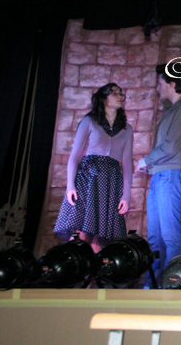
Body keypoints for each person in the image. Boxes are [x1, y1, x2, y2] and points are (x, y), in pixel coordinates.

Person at [138, 64, 181, 286]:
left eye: (160, 83)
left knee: (171, 237)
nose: (158, 87)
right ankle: (154, 284)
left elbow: (171, 146)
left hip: (172, 175)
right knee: (155, 238)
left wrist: (147, 160)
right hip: (161, 175)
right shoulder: (173, 110)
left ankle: (173, 285)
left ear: (171, 84)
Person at [54, 83, 133, 253]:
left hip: (110, 182)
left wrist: (126, 195)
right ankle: (76, 265)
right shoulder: (89, 121)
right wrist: (70, 186)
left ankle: (92, 269)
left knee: (99, 238)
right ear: (104, 98)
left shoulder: (126, 129)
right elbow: (74, 156)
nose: (120, 96)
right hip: (88, 179)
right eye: (114, 93)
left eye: (121, 93)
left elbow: (127, 164)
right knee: (80, 232)